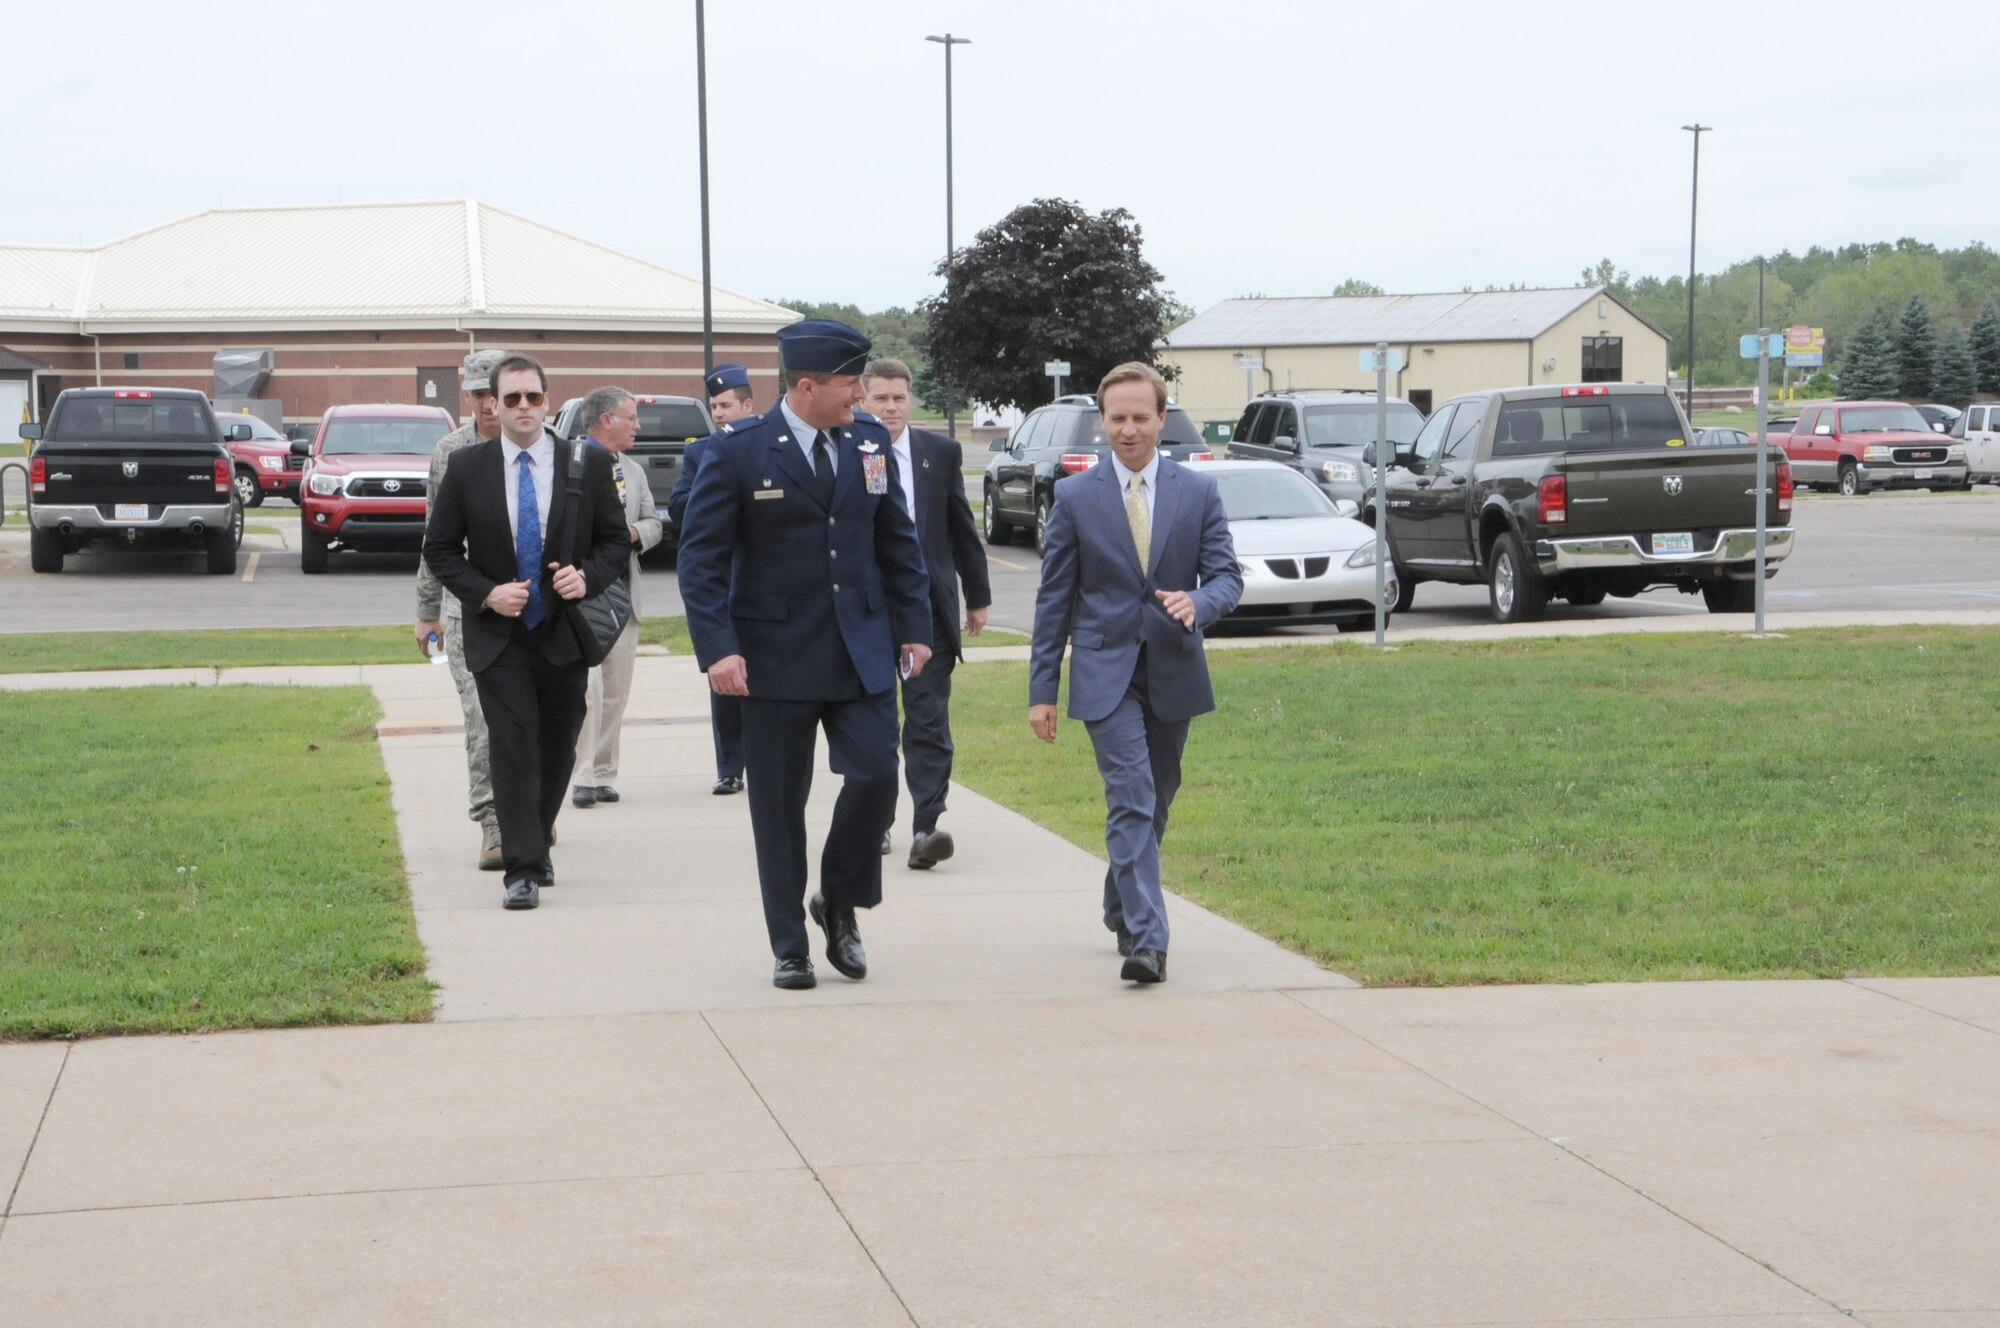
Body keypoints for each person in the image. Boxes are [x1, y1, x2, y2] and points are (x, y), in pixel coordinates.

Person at [677, 320, 932, 989]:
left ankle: (838, 900)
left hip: (860, 651)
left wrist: (916, 627)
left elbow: (896, 542)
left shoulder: (870, 442)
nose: (864, 394)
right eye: (852, 383)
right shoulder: (735, 451)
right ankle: (790, 945)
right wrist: (718, 650)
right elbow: (699, 561)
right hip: (773, 658)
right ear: (809, 385)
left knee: (878, 775)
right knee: (779, 809)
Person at [1028, 362, 1242, 984]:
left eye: (1140, 417)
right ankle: (1148, 942)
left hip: (1173, 668)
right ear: (1102, 422)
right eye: (1116, 418)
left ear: (1161, 420)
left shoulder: (1197, 493)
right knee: (1132, 795)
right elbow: (1053, 602)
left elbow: (1227, 577)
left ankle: (1120, 900)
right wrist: (1043, 691)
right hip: (1103, 671)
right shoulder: (1075, 497)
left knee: (1159, 800)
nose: (1128, 430)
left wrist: (1197, 604)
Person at [423, 355, 632, 910]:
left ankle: (534, 842)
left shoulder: (582, 463)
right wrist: (486, 591)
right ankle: (522, 866)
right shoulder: (467, 468)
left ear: (546, 399)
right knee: (512, 745)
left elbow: (614, 542)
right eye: (510, 398)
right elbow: (439, 550)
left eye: (532, 398)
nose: (521, 408)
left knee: (558, 746)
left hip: (563, 629)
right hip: (499, 634)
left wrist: (584, 577)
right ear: (492, 401)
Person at [860, 358, 992, 869]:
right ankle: (875, 823)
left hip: (929, 610)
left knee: (929, 720)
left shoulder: (939, 452)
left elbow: (960, 526)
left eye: (899, 398)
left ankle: (926, 826)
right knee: (874, 725)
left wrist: (976, 595)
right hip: (869, 612)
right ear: (863, 400)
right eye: (880, 398)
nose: (890, 407)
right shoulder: (851, 449)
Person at [414, 348, 507, 870]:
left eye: (496, 393)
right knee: (482, 720)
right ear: (467, 397)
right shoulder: (450, 451)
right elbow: (435, 536)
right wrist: (427, 609)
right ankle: (493, 820)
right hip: (464, 606)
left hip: (529, 607)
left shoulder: (549, 446)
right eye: (478, 394)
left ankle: (532, 806)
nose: (489, 404)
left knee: (537, 721)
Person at [668, 363, 758, 795]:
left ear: (748, 405)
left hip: (761, 576)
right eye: (714, 407)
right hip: (724, 582)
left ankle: (763, 760)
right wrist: (716, 474)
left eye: (726, 405)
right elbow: (682, 510)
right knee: (725, 677)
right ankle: (729, 766)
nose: (719, 414)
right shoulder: (698, 453)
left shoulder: (766, 447)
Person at [571, 386, 663, 809]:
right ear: (606, 420)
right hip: (580, 595)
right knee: (586, 691)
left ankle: (605, 773)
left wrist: (631, 535)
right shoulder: (568, 463)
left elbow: (653, 521)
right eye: (631, 418)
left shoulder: (634, 470)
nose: (638, 426)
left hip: (623, 596)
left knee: (615, 691)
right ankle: (582, 774)